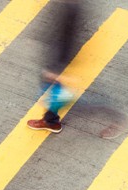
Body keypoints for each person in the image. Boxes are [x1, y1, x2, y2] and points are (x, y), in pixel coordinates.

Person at [26, 0, 84, 133]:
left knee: (53, 84)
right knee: (53, 84)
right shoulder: (69, 5)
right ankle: (51, 120)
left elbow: (66, 35)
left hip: (59, 55)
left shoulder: (70, 7)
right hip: (58, 52)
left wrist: (56, 68)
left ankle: (51, 121)